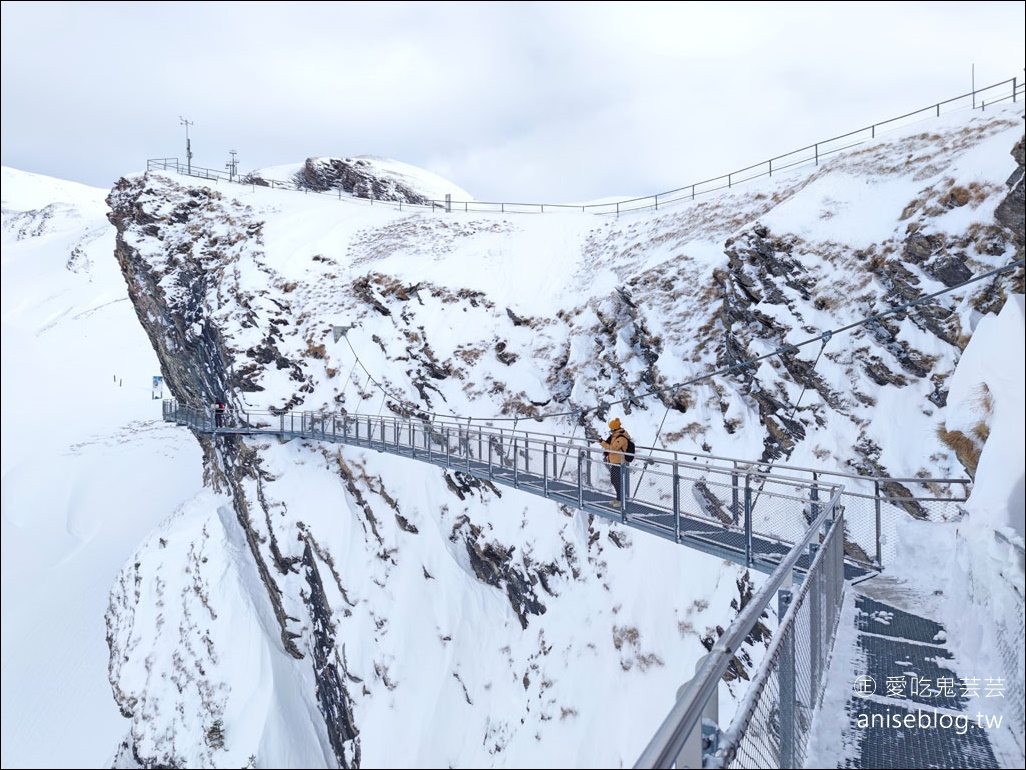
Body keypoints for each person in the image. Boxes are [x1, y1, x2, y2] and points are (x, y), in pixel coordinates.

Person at [599, 417, 632, 504]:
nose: (610, 430)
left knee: (616, 481)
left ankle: (620, 500)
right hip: (615, 462)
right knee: (616, 480)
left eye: (611, 429)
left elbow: (612, 448)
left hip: (619, 462)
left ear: (614, 428)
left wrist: (602, 443)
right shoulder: (616, 436)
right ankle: (619, 499)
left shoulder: (621, 438)